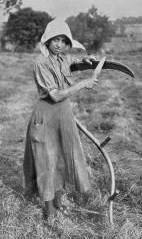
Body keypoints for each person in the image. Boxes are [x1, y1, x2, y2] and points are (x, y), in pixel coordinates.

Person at [23, 18, 98, 217]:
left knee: (62, 159)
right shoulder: (41, 62)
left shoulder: (62, 58)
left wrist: (84, 61)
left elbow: (70, 64)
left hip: (63, 115)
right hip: (46, 115)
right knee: (46, 161)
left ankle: (58, 202)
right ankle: (49, 210)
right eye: (56, 40)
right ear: (47, 40)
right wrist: (83, 84)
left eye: (64, 41)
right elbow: (55, 95)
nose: (60, 44)